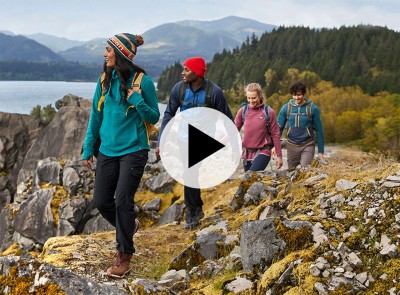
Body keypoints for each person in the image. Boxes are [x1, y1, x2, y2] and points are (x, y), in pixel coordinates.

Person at [82, 33, 160, 279]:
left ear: (121, 54)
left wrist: (137, 101)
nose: (105, 54)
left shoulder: (142, 82)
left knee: (123, 200)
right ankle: (128, 226)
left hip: (134, 150)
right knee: (102, 200)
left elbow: (154, 117)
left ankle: (124, 256)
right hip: (107, 149)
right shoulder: (104, 79)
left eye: (108, 50)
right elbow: (96, 116)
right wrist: (88, 147)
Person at [155, 56, 233, 230]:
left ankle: (192, 213)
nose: (182, 73)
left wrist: (233, 146)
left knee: (190, 171)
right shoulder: (179, 89)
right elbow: (168, 114)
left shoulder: (214, 92)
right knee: (191, 173)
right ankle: (196, 207)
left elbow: (228, 119)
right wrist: (161, 140)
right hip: (184, 138)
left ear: (197, 72)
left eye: (186, 70)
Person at [235, 83, 283, 172]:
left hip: (263, 151)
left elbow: (276, 134)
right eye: (248, 98)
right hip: (247, 153)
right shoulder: (243, 111)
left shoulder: (268, 112)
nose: (251, 101)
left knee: (250, 177)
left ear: (259, 96)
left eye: (254, 98)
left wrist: (279, 156)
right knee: (249, 183)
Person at [277, 81, 325, 169]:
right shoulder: (286, 108)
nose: (296, 98)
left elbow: (319, 130)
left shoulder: (313, 108)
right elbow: (278, 129)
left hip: (308, 145)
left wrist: (321, 152)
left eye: (299, 95)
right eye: (294, 95)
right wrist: (275, 147)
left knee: (304, 170)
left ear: (303, 94)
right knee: (292, 172)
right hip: (291, 145)